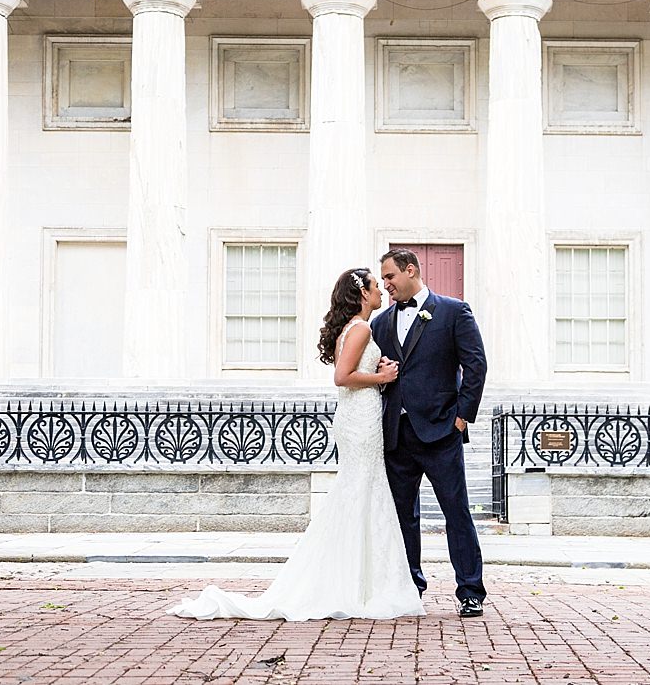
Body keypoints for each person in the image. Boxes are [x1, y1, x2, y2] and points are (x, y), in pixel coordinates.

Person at [167, 267, 424, 621]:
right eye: (376, 286)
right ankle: (359, 584)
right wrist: (382, 376)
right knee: (362, 489)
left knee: (363, 490)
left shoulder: (355, 328)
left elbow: (351, 368)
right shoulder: (361, 327)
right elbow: (342, 377)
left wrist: (376, 368)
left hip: (360, 415)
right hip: (360, 418)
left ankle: (360, 580)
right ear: (363, 293)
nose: (381, 291)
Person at [372, 247, 488, 618]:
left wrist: (462, 417)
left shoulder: (454, 312)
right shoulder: (380, 324)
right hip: (397, 435)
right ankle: (410, 587)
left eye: (390, 277)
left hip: (441, 432)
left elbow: (476, 365)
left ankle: (470, 591)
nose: (386, 285)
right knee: (403, 517)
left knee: (457, 514)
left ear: (410, 271)